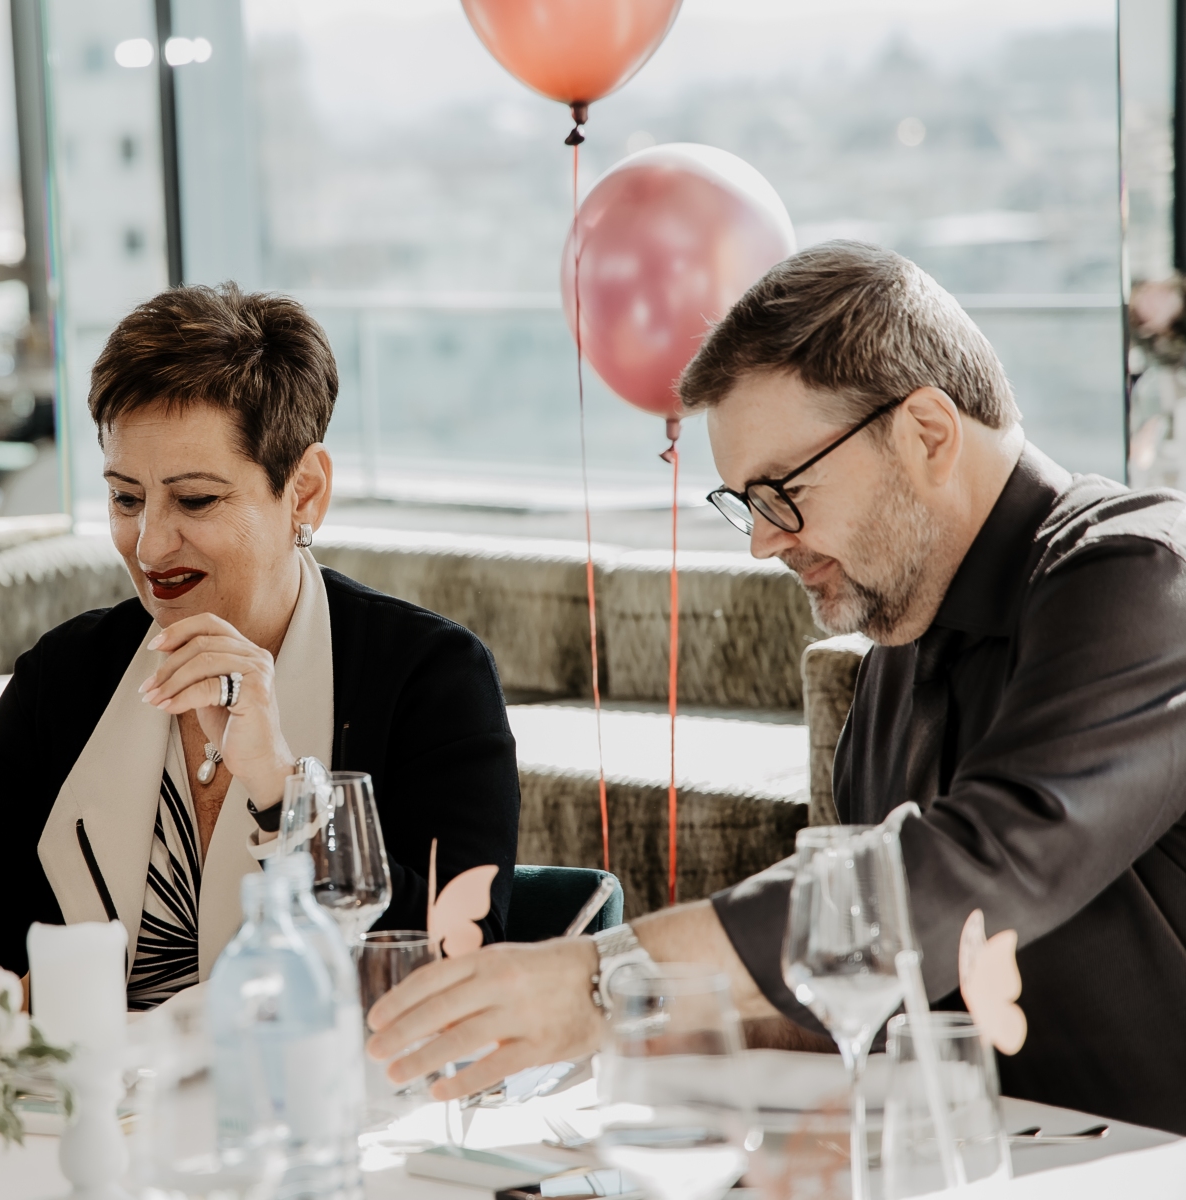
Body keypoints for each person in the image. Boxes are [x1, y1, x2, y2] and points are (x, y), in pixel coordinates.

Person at [364, 241, 1186, 1135]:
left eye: (780, 492)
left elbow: (979, 861)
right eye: (745, 505)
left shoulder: (1141, 576)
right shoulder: (894, 657)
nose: (762, 542)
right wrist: (609, 1045)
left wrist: (603, 980)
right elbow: (851, 983)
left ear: (928, 434)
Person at [0, 283, 521, 1010]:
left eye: (196, 499)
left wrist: (281, 790)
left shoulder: (433, 679)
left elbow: (452, 971)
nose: (148, 546)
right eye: (126, 498)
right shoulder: (65, 678)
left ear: (303, 491)